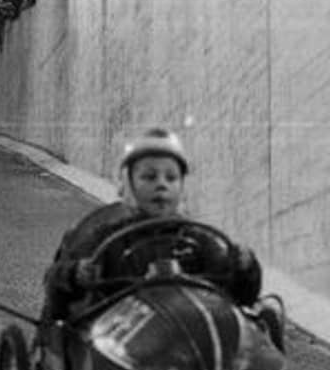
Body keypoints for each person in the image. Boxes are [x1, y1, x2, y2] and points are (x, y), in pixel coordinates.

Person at [41, 128, 261, 323]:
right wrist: (75, 274)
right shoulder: (104, 239)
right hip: (122, 339)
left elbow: (237, 295)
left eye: (171, 178)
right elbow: (57, 292)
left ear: (182, 187)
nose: (161, 185)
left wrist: (245, 268)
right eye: (149, 177)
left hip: (188, 338)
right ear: (129, 184)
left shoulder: (198, 239)